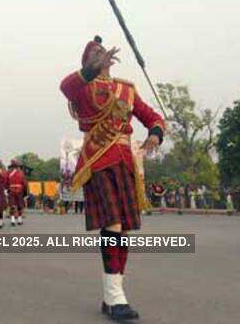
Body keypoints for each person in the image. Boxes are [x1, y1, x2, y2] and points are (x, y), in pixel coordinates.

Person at [60, 36, 164, 321]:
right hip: (98, 160)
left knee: (124, 228)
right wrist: (90, 70)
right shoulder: (81, 88)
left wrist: (156, 132)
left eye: (101, 51)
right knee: (113, 223)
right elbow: (65, 86)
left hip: (125, 162)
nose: (100, 54)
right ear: (87, 62)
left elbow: (150, 115)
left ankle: (111, 295)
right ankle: (117, 297)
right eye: (93, 53)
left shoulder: (126, 89)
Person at [7, 159, 27, 226]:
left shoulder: (9, 173)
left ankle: (12, 220)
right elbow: (24, 183)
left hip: (11, 190)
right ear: (18, 166)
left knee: (12, 205)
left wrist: (7, 189)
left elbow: (6, 182)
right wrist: (25, 192)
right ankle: (19, 220)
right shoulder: (21, 173)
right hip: (19, 190)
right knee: (19, 205)